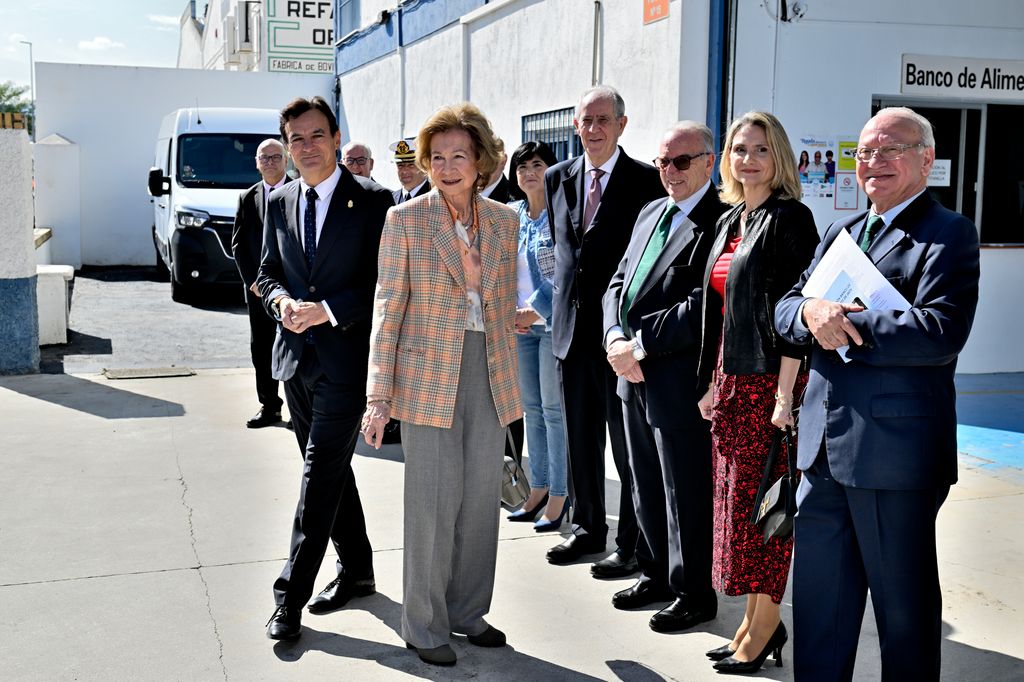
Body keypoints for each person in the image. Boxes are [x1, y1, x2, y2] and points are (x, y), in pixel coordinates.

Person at [775, 107, 980, 681]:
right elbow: (787, 309)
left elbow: (940, 331)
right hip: (822, 454)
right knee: (820, 611)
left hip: (894, 456)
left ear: (926, 160)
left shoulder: (948, 233)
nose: (876, 162)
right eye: (866, 151)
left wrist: (844, 321)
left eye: (893, 149)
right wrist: (812, 311)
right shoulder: (842, 233)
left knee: (904, 618)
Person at [362, 103, 521, 667]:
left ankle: (467, 612)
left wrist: (519, 312)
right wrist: (378, 397)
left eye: (459, 155)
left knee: (480, 498)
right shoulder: (404, 220)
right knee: (432, 502)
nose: (448, 166)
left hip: (490, 368)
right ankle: (424, 625)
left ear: (480, 160)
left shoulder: (505, 220)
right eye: (437, 157)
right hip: (427, 374)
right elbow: (388, 308)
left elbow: (508, 299)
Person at [257, 96, 394, 641]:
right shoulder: (280, 201)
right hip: (294, 360)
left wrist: (329, 309)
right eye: (296, 139)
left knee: (317, 476)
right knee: (332, 470)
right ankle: (358, 569)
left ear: (336, 138)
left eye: (316, 135)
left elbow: (386, 285)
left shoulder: (375, 201)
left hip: (346, 360)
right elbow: (267, 272)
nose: (306, 147)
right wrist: (281, 304)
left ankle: (289, 596)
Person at [695, 111, 819, 674]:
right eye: (740, 149)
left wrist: (784, 398)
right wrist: (710, 384)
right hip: (732, 381)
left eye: (761, 150)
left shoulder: (791, 219)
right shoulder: (732, 219)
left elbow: (796, 318)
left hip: (770, 384)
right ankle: (752, 620)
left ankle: (765, 627)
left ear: (781, 158)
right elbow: (720, 315)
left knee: (766, 513)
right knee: (740, 509)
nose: (748, 160)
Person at [602, 121, 727, 627]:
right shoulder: (651, 211)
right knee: (643, 482)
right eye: (661, 162)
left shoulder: (723, 221)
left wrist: (640, 342)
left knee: (684, 492)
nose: (668, 172)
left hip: (677, 379)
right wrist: (613, 336)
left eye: (680, 162)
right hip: (629, 373)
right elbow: (618, 282)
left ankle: (694, 592)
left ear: (708, 162)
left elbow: (707, 303)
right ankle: (654, 572)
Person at [545, 85, 664, 577]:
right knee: (579, 441)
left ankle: (631, 544)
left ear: (621, 124)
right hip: (570, 334)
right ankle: (588, 528)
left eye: (602, 120)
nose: (592, 129)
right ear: (575, 126)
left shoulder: (646, 182)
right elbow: (562, 254)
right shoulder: (557, 177)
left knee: (627, 447)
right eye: (585, 121)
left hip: (620, 337)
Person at [504, 140, 568, 531]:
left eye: (538, 164)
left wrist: (536, 309)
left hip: (549, 326)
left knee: (552, 412)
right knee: (531, 410)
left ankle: (559, 493)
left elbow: (564, 271)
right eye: (522, 166)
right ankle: (538, 487)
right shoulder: (511, 217)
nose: (529, 172)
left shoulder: (561, 216)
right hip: (518, 328)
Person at [231, 138, 290, 429]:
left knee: (297, 347)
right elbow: (239, 244)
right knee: (262, 347)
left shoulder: (300, 191)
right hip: (257, 291)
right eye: (264, 158)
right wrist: (254, 281)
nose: (270, 162)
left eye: (275, 157)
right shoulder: (247, 197)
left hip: (294, 289)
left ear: (286, 159)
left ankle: (301, 409)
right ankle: (269, 407)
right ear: (256, 163)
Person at [390, 138, 431, 204]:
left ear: (424, 166)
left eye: (411, 165)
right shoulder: (391, 198)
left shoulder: (436, 197)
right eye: (400, 165)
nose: (404, 171)